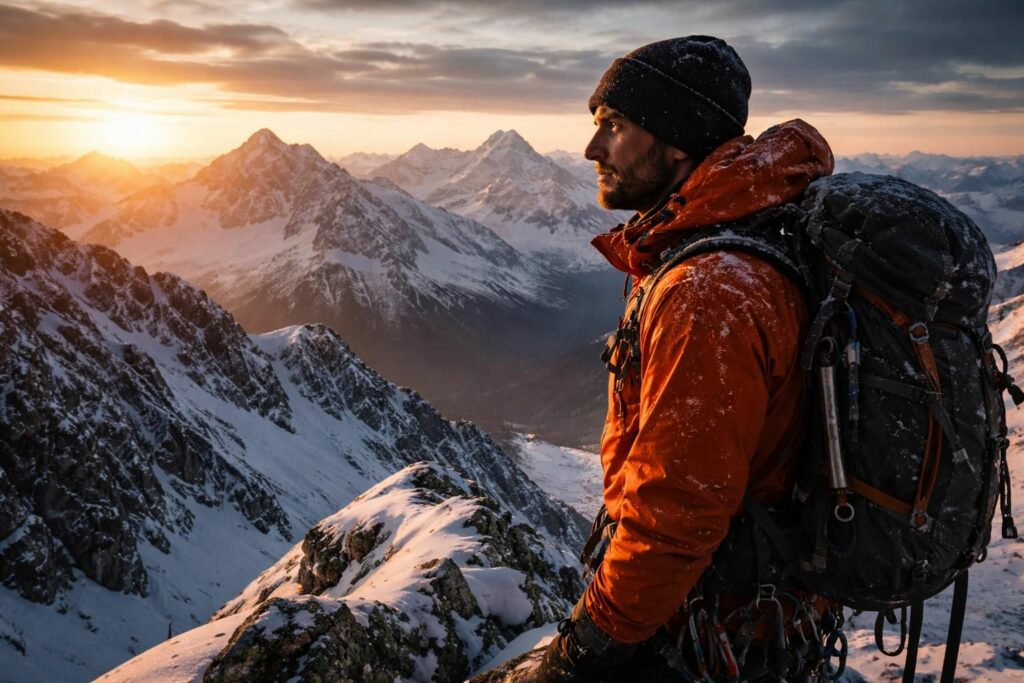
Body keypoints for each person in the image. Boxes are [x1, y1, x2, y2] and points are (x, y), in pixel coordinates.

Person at [534, 36, 835, 681]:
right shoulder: (737, 238)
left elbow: (677, 508)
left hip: (713, 631)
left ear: (677, 139)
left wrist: (588, 646)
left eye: (614, 126)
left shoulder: (708, 292)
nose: (592, 150)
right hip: (758, 611)